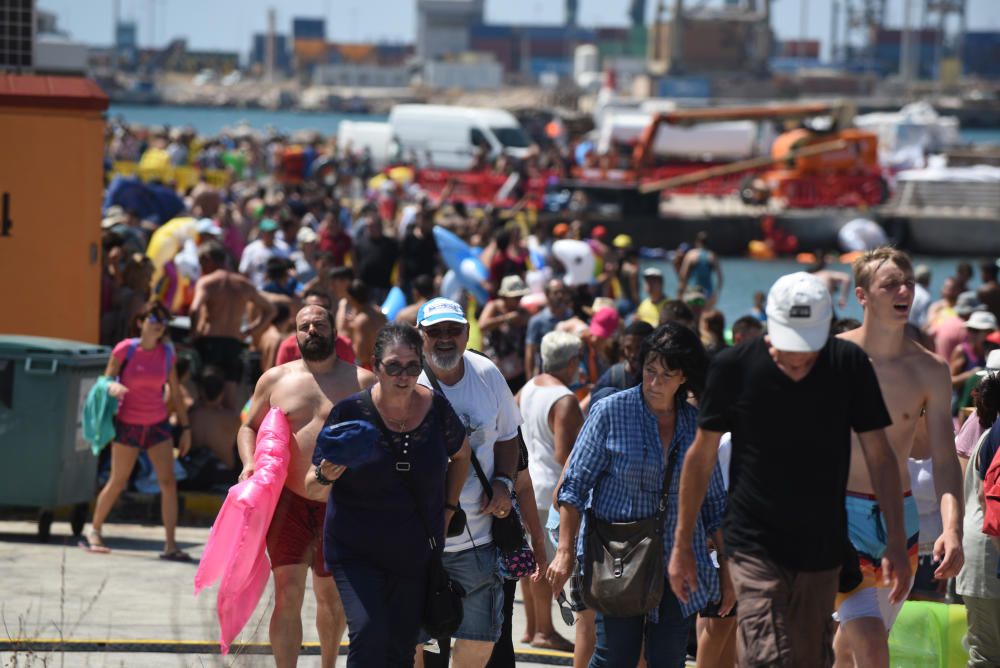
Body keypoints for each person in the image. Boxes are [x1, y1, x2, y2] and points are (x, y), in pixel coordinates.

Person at [669, 271, 911, 668]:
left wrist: (897, 541)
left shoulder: (848, 366)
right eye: (789, 347)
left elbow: (880, 456)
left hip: (822, 546)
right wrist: (682, 545)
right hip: (752, 542)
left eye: (808, 349)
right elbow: (700, 457)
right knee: (770, 656)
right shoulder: (734, 367)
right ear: (771, 329)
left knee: (808, 658)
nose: (798, 359)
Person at [548, 322, 730, 667]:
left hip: (680, 560)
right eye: (650, 371)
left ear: (684, 378)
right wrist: (565, 551)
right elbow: (573, 488)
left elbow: (714, 504)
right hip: (615, 556)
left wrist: (728, 566)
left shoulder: (696, 424)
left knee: (668, 659)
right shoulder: (610, 412)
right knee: (615, 658)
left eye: (667, 375)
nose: (655, 382)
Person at [305, 324, 472, 667]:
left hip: (414, 551)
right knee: (369, 634)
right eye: (394, 366)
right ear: (375, 365)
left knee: (401, 647)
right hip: (355, 550)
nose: (404, 375)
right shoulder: (350, 413)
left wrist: (449, 507)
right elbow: (312, 484)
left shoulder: (437, 410)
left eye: (413, 366)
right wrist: (326, 473)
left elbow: (462, 454)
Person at [833, 248, 964, 668]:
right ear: (862, 295)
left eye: (908, 282)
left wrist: (952, 528)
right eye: (891, 284)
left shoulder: (930, 370)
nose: (904, 290)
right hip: (839, 516)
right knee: (871, 649)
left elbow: (944, 460)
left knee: (851, 647)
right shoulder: (831, 359)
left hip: (900, 522)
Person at [238, 305, 376, 668]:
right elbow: (248, 426)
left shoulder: (363, 383)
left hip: (341, 505)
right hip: (289, 503)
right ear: (295, 334)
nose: (312, 330)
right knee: (286, 595)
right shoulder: (274, 380)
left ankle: (328, 664)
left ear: (334, 332)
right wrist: (250, 463)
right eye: (304, 326)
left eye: (319, 324)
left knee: (330, 598)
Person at [414, 297, 521, 668]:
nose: (445, 339)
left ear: (467, 332)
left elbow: (509, 435)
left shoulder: (487, 374)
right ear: (419, 335)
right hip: (415, 544)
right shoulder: (403, 380)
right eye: (435, 331)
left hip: (479, 540)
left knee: (478, 641)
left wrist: (505, 482)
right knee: (414, 645)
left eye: (453, 330)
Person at [83, 301, 191, 560]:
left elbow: (175, 391)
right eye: (153, 319)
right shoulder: (125, 349)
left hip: (157, 424)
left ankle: (170, 545)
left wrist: (185, 427)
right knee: (118, 480)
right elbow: (104, 380)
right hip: (128, 424)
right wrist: (111, 387)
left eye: (163, 321)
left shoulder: (167, 353)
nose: (159, 325)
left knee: (168, 483)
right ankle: (94, 530)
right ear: (141, 322)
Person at [518, 331, 584, 653]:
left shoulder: (528, 388)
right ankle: (545, 629)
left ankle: (533, 627)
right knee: (543, 564)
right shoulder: (565, 399)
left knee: (528, 563)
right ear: (572, 361)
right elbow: (565, 454)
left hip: (525, 486)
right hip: (549, 491)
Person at [190, 241, 276, 411]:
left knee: (204, 399)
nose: (201, 268)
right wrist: (250, 331)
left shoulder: (207, 282)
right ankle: (228, 436)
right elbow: (270, 310)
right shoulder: (243, 284)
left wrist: (194, 333)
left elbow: (194, 309)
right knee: (230, 403)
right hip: (233, 344)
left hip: (210, 343)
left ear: (208, 259)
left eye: (201, 263)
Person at [955, 355, 1000, 668]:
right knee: (986, 658)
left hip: (981, 555)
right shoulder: (991, 432)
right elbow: (989, 502)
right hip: (988, 557)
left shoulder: (987, 428)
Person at [275, 290, 356, 366]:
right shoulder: (288, 347)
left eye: (324, 307)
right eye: (312, 306)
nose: (317, 310)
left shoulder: (345, 344)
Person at [479, 275, 531, 392]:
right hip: (496, 365)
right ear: (504, 296)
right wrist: (506, 318)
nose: (519, 300)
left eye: (520, 297)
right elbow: (482, 326)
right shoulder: (494, 306)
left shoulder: (521, 311)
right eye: (515, 297)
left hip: (517, 369)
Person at [589, 320, 654, 395]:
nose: (633, 354)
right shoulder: (615, 375)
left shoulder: (661, 378)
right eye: (628, 348)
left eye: (638, 348)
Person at [525, 279, 573, 378]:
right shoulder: (537, 321)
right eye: (556, 293)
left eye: (563, 292)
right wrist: (530, 381)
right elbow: (530, 352)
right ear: (547, 295)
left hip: (570, 375)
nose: (560, 296)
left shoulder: (570, 316)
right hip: (548, 377)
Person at [352, 212, 399, 305]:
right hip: (365, 285)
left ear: (380, 226)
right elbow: (355, 261)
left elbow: (399, 262)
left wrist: (398, 280)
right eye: (368, 226)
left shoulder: (390, 244)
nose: (369, 228)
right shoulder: (359, 242)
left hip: (383, 285)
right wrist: (356, 278)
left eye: (372, 226)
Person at [344, 279, 388, 370]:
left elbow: (361, 355)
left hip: (370, 368)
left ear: (351, 298)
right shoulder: (380, 312)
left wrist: (352, 330)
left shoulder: (360, 322)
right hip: (386, 362)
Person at [239, 218, 291, 289]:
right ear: (262, 232)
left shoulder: (283, 247)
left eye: (273, 231)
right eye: (269, 232)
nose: (271, 234)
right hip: (258, 291)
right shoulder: (251, 249)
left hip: (280, 291)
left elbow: (290, 269)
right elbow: (244, 272)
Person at [677, 232, 723, 308]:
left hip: (692, 291)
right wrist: (716, 294)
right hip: (707, 293)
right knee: (704, 317)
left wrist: (680, 293)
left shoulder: (691, 254)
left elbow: (683, 276)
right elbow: (720, 278)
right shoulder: (712, 256)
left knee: (691, 316)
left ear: (697, 242)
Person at [909, 264, 933, 328]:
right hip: (914, 332)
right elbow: (923, 322)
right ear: (928, 280)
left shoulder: (908, 290)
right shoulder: (926, 296)